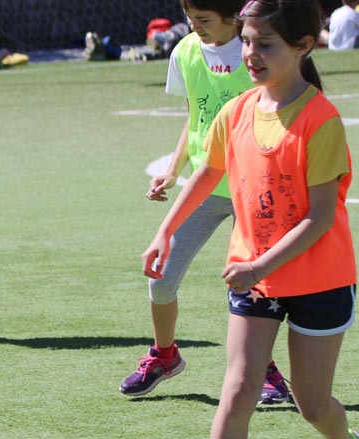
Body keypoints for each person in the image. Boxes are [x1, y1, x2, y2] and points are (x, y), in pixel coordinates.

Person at [140, 0, 356, 439]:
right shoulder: (237, 110)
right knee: (237, 391)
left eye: (265, 44)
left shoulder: (320, 120)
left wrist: (262, 265)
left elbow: (319, 218)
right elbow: (207, 170)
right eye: (248, 42)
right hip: (255, 280)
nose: (250, 54)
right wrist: (165, 231)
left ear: (303, 46)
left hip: (320, 280)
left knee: (312, 405)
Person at [120, 0, 291, 406]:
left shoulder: (257, 53)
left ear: (233, 17)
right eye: (189, 18)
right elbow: (196, 118)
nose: (193, 26)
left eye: (203, 19)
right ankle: (165, 355)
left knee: (252, 284)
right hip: (205, 185)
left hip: (255, 189)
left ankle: (265, 372)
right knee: (160, 278)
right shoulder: (185, 52)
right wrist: (173, 170)